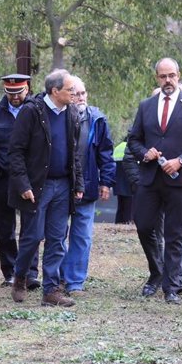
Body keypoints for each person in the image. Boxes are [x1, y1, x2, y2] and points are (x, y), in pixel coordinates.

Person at [127, 58, 182, 305]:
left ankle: (172, 285)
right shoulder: (146, 105)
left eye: (172, 75)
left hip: (179, 179)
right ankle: (156, 272)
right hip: (150, 178)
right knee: (143, 226)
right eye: (163, 76)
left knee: (175, 233)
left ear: (179, 75)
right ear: (157, 78)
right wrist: (144, 153)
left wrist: (181, 161)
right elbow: (133, 140)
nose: (168, 80)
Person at [8, 69, 83, 307]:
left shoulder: (71, 112)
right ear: (54, 91)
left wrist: (78, 183)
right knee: (32, 237)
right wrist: (23, 184)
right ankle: (20, 278)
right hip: (37, 187)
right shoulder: (31, 111)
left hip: (63, 185)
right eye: (69, 90)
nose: (74, 94)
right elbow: (16, 151)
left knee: (57, 239)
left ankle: (51, 290)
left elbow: (75, 153)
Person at [61, 77, 116, 294]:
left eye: (83, 93)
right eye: (75, 94)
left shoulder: (98, 119)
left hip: (89, 186)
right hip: (62, 186)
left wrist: (106, 182)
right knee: (57, 234)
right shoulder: (57, 118)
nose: (80, 98)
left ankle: (75, 281)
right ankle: (59, 276)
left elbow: (106, 153)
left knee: (82, 236)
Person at [0, 74, 40, 288]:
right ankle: (9, 271)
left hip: (30, 178)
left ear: (26, 89)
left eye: (18, 92)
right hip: (3, 177)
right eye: (10, 93)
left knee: (31, 227)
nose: (15, 97)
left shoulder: (37, 111)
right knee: (4, 229)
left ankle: (30, 272)